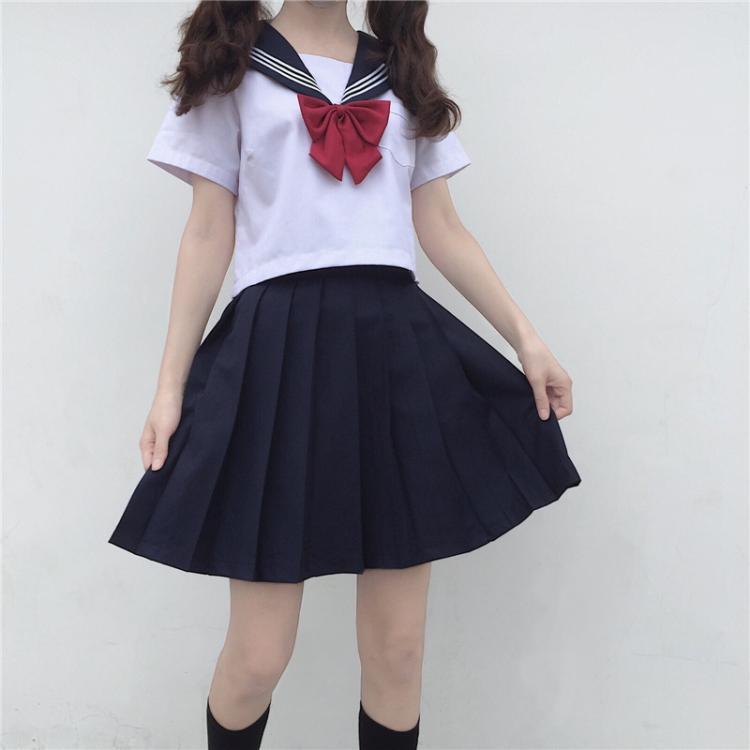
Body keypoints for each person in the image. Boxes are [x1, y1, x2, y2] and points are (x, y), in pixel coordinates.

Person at [108, 1, 582, 748]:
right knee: (259, 657)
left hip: (394, 355)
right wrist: (170, 387)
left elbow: (441, 225)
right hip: (276, 355)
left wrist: (527, 339)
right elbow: (206, 230)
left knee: (398, 652)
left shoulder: (398, 70)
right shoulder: (234, 63)